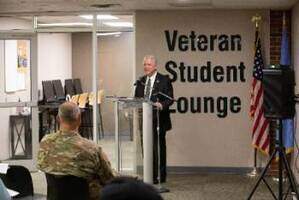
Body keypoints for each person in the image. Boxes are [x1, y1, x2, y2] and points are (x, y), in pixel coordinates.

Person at [37, 102, 114, 200]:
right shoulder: (91, 149)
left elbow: (42, 165)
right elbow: (109, 178)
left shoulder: (45, 143)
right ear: (79, 119)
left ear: (58, 119)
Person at [135, 55, 174, 184]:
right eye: (145, 64)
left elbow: (169, 99)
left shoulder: (164, 80)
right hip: (144, 119)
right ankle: (149, 175)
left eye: (149, 65)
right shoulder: (141, 81)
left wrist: (161, 105)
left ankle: (160, 176)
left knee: (158, 149)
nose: (146, 67)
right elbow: (136, 99)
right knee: (145, 147)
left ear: (155, 66)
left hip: (158, 119)